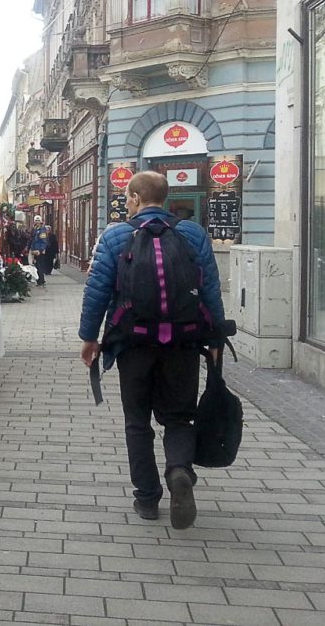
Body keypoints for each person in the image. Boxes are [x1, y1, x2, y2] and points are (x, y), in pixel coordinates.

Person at [78, 171, 225, 530]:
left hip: (133, 343)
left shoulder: (115, 236)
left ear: (134, 197)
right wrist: (217, 338)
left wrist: (89, 337)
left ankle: (147, 497)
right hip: (183, 342)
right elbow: (210, 289)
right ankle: (179, 470)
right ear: (165, 196)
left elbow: (96, 290)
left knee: (137, 421)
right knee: (178, 417)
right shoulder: (192, 234)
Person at [30, 215, 52, 286]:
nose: (37, 222)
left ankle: (41, 280)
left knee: (40, 265)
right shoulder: (35, 229)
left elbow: (43, 241)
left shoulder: (42, 230)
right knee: (37, 265)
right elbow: (33, 240)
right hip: (35, 250)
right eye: (36, 220)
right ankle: (39, 279)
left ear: (41, 221)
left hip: (39, 251)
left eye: (38, 220)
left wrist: (40, 249)